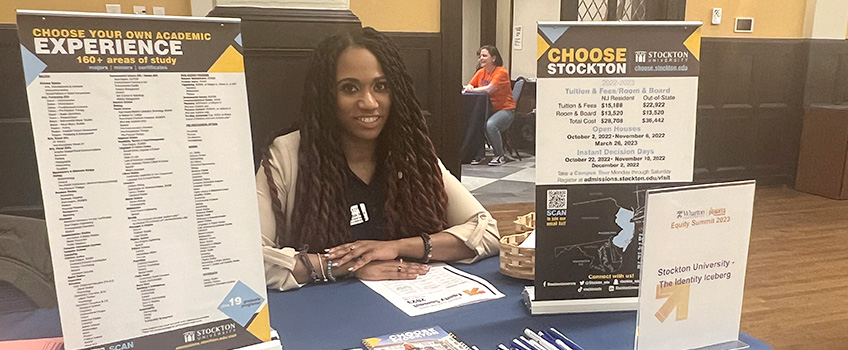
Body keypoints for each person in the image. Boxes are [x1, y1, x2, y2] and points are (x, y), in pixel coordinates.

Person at [257, 27, 501, 291]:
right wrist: (344, 266)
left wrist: (396, 248)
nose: (370, 102)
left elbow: (487, 232)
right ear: (327, 96)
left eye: (381, 86)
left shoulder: (412, 153)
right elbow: (245, 259)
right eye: (350, 88)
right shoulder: (287, 156)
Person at [464, 45, 516, 166]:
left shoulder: (501, 72)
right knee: (474, 123)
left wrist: (471, 90)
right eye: (480, 56)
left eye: (484, 56)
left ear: (493, 58)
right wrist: (470, 87)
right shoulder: (480, 72)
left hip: (505, 111)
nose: (481, 58)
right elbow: (469, 86)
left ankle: (499, 155)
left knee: (490, 125)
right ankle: (478, 154)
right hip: (488, 110)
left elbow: (489, 89)